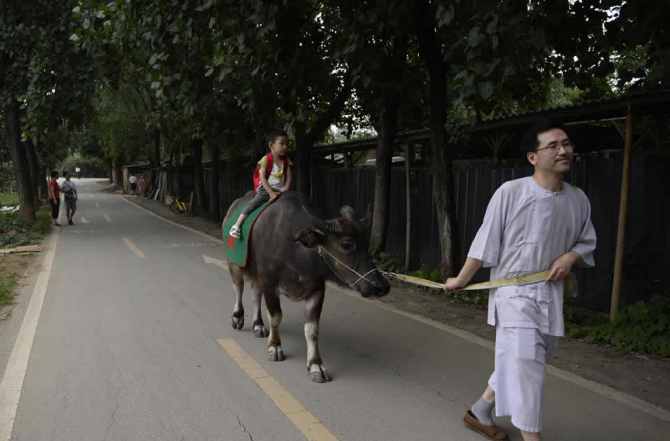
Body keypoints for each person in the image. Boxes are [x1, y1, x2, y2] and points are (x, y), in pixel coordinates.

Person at [445, 121, 596, 441]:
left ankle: (481, 408)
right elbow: (485, 241)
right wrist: (461, 279)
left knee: (527, 359)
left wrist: (570, 258)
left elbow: (586, 242)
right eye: (553, 145)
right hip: (513, 295)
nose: (563, 150)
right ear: (532, 157)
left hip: (550, 295)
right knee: (529, 368)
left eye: (566, 144)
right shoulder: (511, 193)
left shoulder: (578, 199)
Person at [229, 129, 292, 239]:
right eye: (282, 143)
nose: (285, 146)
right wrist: (271, 193)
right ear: (271, 145)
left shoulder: (286, 161)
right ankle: (236, 226)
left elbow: (289, 177)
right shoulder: (265, 160)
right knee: (253, 204)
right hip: (267, 189)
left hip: (281, 190)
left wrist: (286, 191)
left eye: (286, 144)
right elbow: (262, 178)